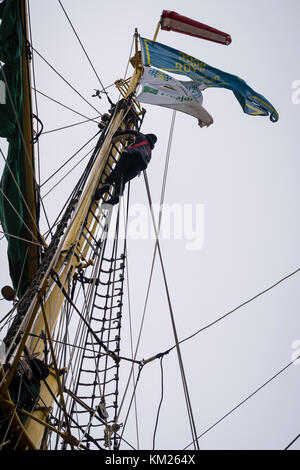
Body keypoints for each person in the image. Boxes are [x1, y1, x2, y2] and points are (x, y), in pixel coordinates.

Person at [95, 130, 157, 205]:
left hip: (132, 154)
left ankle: (107, 184)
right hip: (139, 167)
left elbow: (127, 133)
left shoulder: (141, 136)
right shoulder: (150, 153)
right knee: (122, 180)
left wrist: (116, 135)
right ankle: (117, 194)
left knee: (118, 170)